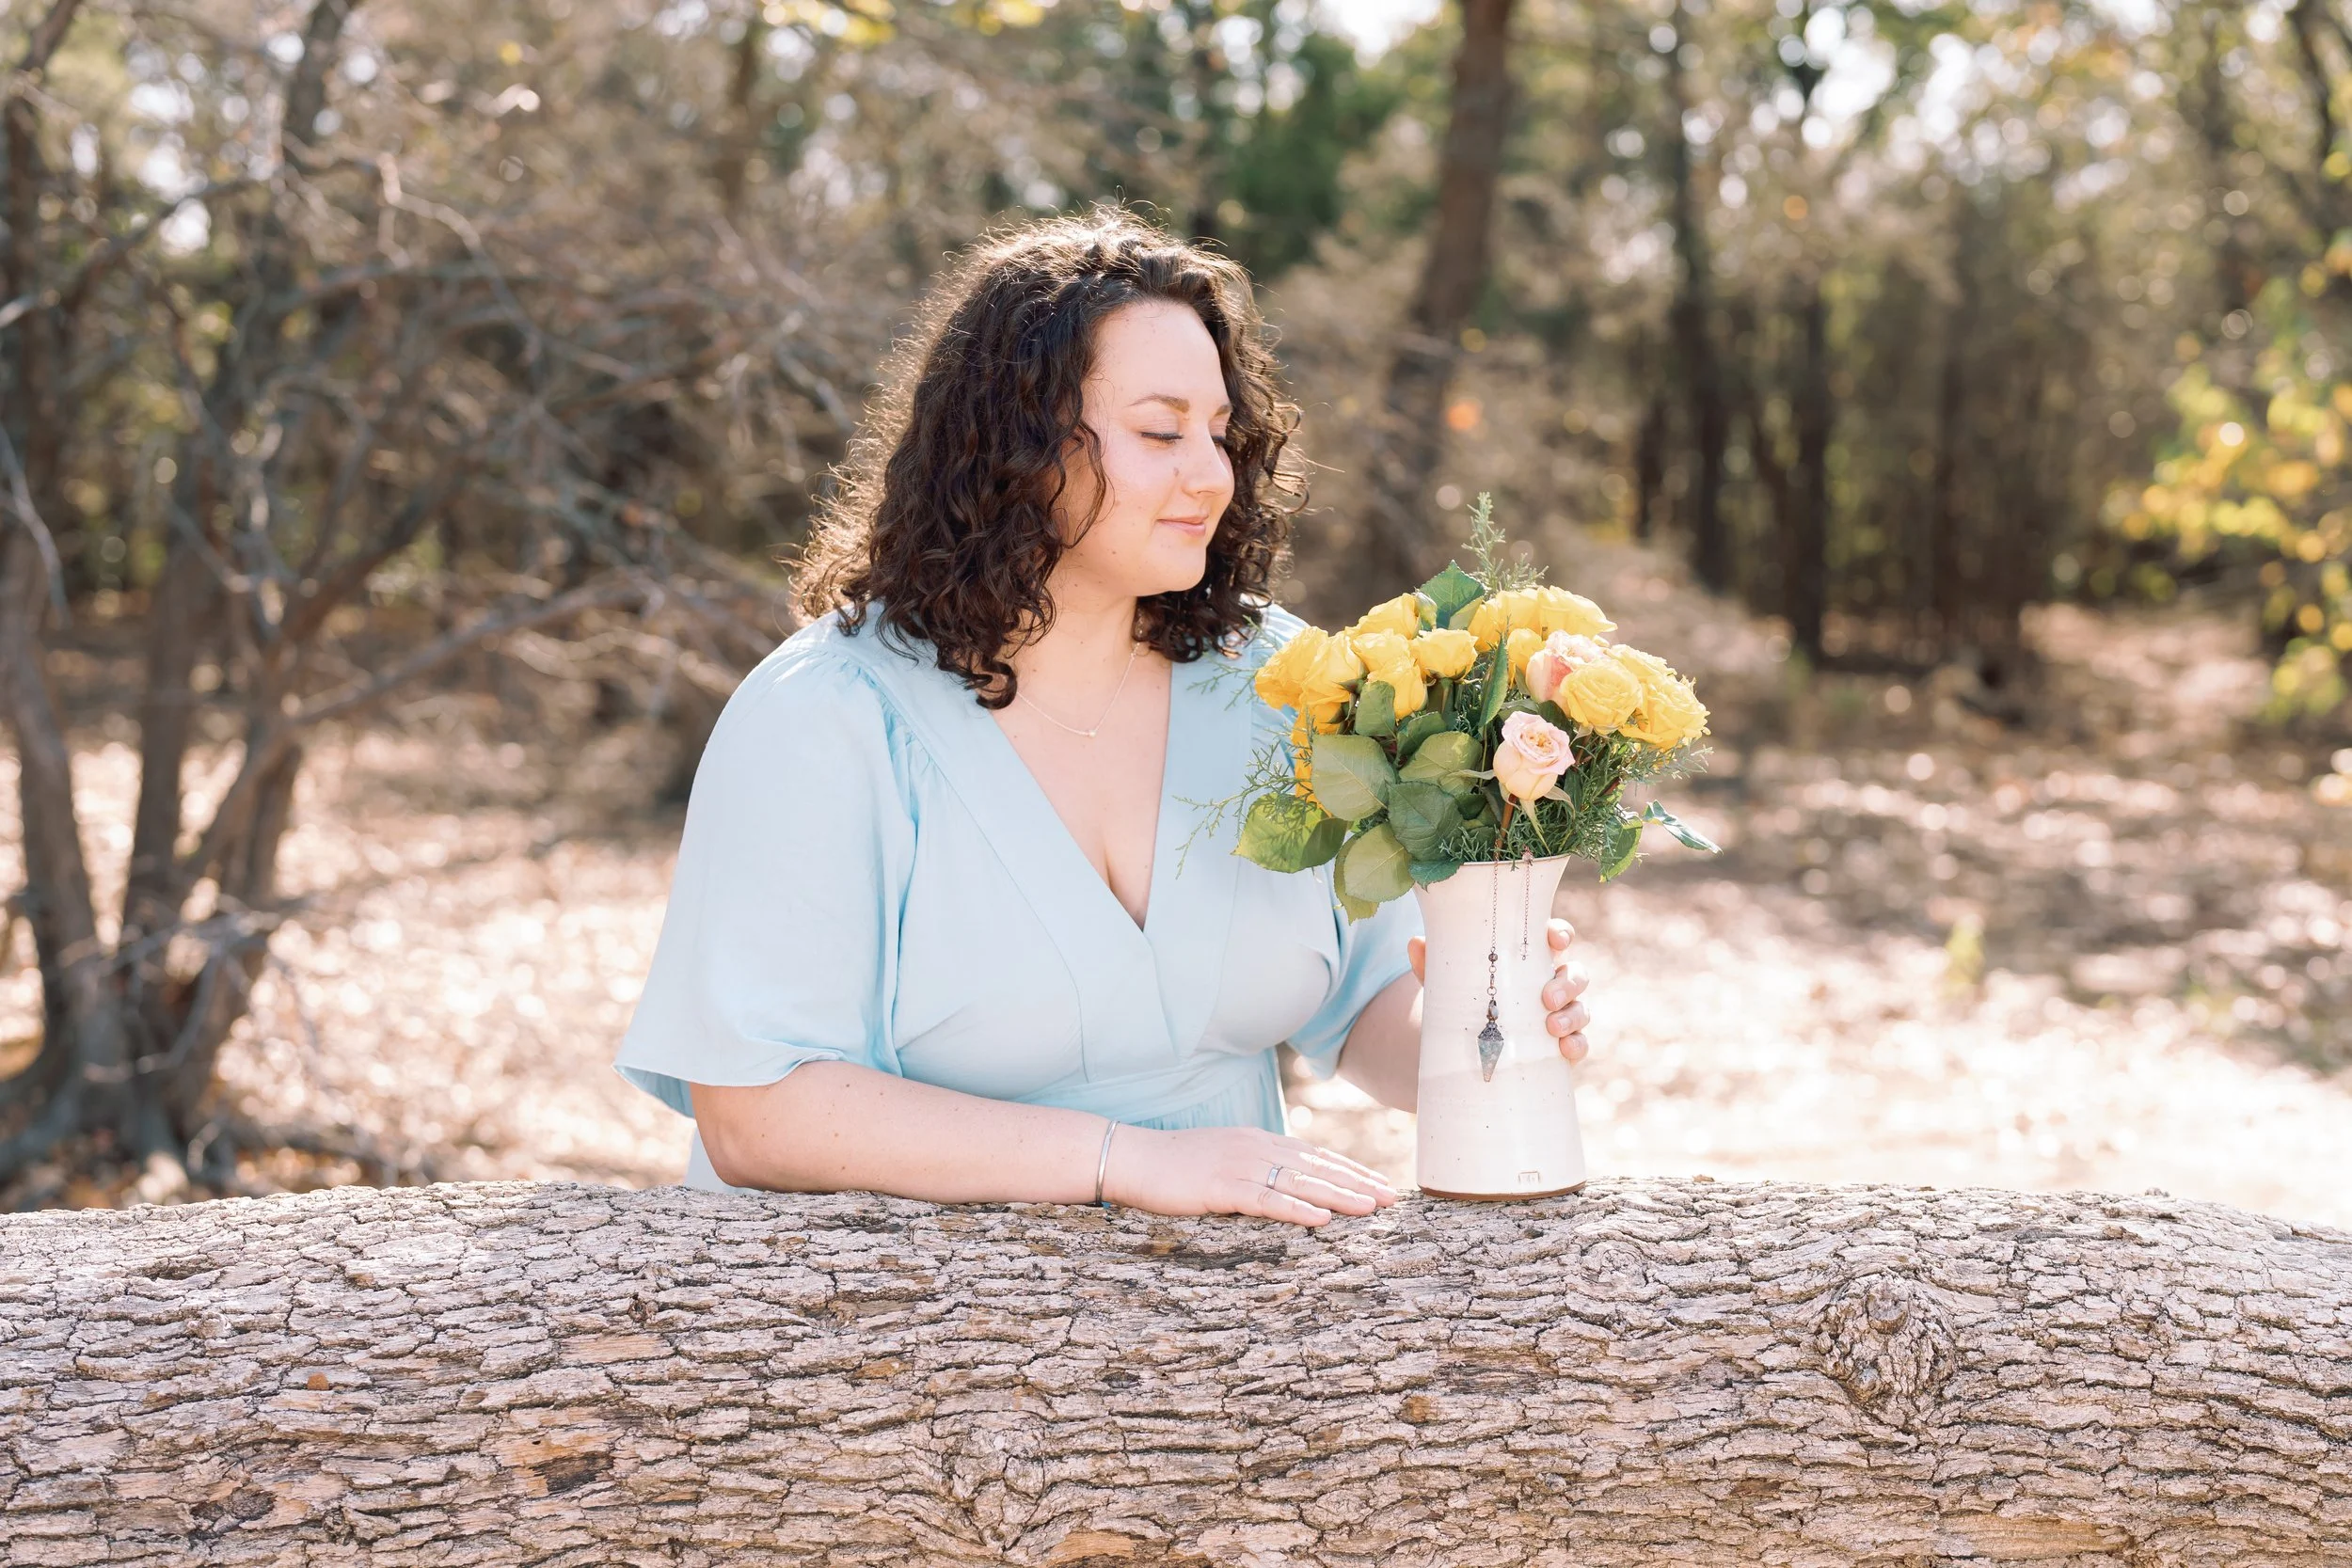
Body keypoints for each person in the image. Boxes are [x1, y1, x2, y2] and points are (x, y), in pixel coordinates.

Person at [612, 206, 1593, 1227]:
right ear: (1016, 445)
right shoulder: (822, 717)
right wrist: (1125, 1160)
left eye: (1220, 434)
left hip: (1230, 1336)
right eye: (1159, 431)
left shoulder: (1277, 681)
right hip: (880, 1329)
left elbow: (1370, 1007)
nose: (1210, 474)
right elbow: (756, 1110)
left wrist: (1491, 1019)